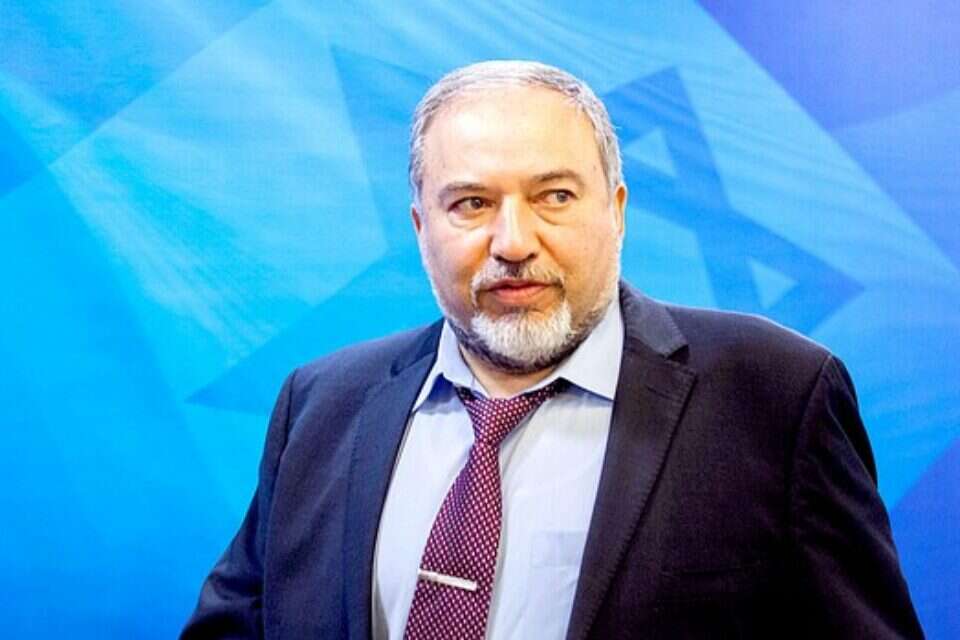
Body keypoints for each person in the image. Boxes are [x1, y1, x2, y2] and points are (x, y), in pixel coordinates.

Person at [182, 61, 923, 639]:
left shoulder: (776, 395)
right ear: (420, 228)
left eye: (554, 197)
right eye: (472, 203)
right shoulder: (320, 405)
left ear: (617, 211)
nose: (513, 242)